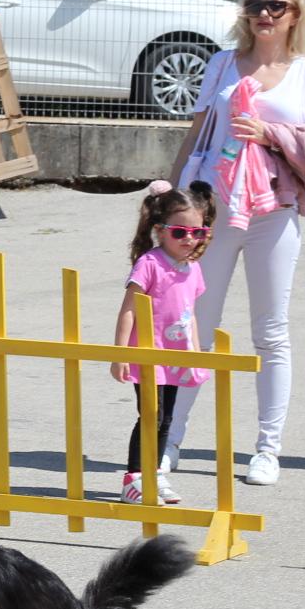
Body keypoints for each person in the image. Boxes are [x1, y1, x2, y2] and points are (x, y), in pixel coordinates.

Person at [163, 0, 305, 487]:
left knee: (271, 332)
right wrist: (171, 202)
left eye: (276, 6)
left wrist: (270, 133)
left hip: (273, 212)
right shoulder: (222, 64)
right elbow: (197, 134)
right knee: (193, 328)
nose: (264, 14)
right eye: (256, 5)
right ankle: (169, 440)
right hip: (213, 211)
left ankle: (268, 449)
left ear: (294, 15)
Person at [111, 180, 215, 505]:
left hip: (174, 356)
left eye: (198, 232)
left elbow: (190, 314)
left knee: (166, 418)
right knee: (150, 416)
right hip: (147, 355)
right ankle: (134, 479)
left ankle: (154, 474)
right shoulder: (150, 264)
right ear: (160, 230)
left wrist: (195, 352)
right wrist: (120, 353)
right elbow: (129, 310)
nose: (189, 239)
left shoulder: (192, 268)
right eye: (180, 232)